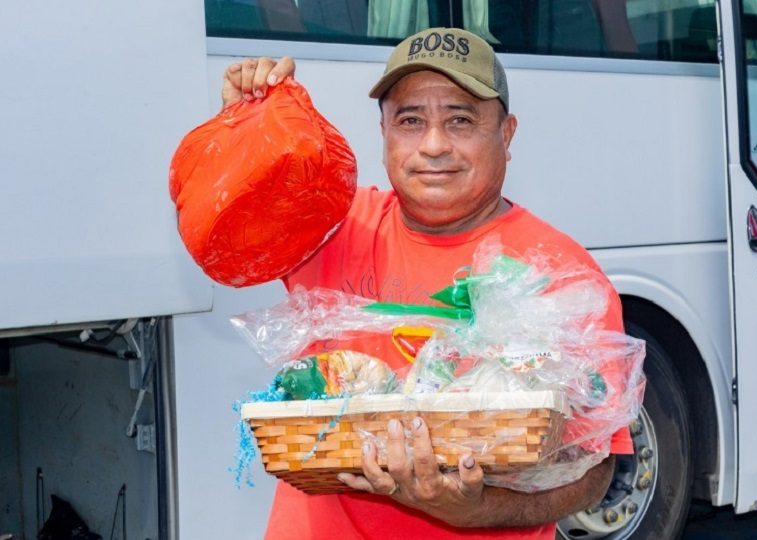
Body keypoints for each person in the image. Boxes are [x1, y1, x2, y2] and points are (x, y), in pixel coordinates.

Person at [222, 27, 632, 539]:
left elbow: (595, 471)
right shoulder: (331, 225)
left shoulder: (562, 277)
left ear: (506, 134)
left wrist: (477, 509)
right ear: (384, 134)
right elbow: (227, 230)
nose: (433, 146)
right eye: (410, 121)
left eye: (460, 120)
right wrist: (245, 129)